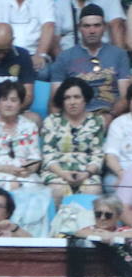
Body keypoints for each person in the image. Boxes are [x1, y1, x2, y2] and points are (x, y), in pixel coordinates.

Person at [48, 4, 129, 123]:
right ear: (79, 27)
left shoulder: (119, 55)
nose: (92, 31)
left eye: (97, 25)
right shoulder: (64, 57)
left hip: (109, 115)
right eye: (87, 26)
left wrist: (111, 116)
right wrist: (62, 124)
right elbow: (55, 100)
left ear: (104, 27)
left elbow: (125, 97)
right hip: (75, 117)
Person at [42, 75, 104, 204]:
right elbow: (48, 155)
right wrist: (63, 174)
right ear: (62, 101)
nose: (72, 102)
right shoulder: (51, 121)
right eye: (67, 98)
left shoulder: (96, 121)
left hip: (87, 173)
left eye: (77, 97)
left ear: (85, 99)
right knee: (58, 189)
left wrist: (86, 173)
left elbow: (98, 155)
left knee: (92, 190)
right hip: (57, 172)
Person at [0, 80, 43, 197]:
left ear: (21, 104)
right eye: (4, 99)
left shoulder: (30, 126)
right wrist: (5, 169)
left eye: (14, 100)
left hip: (23, 174)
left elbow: (35, 159)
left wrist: (27, 170)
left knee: (34, 187)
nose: (8, 104)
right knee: (13, 185)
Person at [0, 0, 56, 72]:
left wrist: (40, 55)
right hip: (4, 53)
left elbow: (48, 26)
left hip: (34, 54)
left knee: (43, 73)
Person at [53, 0, 124, 52]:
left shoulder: (110, 1)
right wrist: (64, 64)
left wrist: (118, 59)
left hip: (103, 54)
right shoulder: (61, 3)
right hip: (69, 56)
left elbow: (117, 27)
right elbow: (55, 39)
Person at [104, 85, 132, 206]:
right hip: (121, 173)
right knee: (112, 182)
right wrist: (123, 175)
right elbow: (110, 156)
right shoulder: (119, 123)